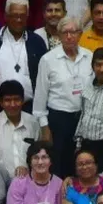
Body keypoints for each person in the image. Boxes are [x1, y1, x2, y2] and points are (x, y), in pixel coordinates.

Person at [33, 18, 92, 176]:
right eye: (65, 32)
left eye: (73, 32)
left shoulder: (89, 56)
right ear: (58, 35)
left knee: (81, 163)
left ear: (80, 34)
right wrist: (44, 127)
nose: (69, 36)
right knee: (59, 164)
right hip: (58, 119)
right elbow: (40, 96)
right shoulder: (48, 59)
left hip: (84, 118)